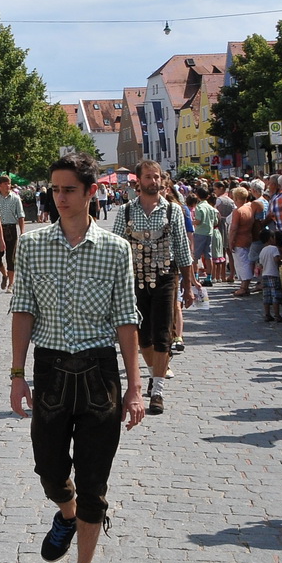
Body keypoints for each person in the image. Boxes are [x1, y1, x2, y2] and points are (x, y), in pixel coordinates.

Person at [9, 153, 143, 563]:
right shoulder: (32, 245)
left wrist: (135, 386)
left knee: (94, 480)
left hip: (98, 373)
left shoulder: (115, 248)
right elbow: (22, 310)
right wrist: (16, 374)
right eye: (55, 189)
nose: (59, 197)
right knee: (48, 467)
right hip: (49, 371)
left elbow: (126, 319)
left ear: (90, 192)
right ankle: (65, 513)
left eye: (68, 189)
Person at [108, 160, 197, 415]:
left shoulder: (172, 211)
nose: (153, 181)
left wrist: (188, 286)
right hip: (134, 278)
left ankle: (157, 390)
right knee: (141, 336)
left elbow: (182, 250)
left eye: (156, 177)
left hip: (164, 277)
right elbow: (115, 248)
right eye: (148, 177)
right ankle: (152, 372)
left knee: (162, 334)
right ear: (138, 181)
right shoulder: (126, 212)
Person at [0, 176, 25, 291]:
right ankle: (4, 274)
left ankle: (11, 283)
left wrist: (22, 232)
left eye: (9, 183)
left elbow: (20, 216)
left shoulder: (15, 198)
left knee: (11, 258)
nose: (7, 186)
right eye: (5, 184)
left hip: (11, 229)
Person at [258, 235, 282, 322]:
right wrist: (280, 262)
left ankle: (267, 314)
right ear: (270, 239)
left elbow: (260, 265)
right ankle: (277, 315)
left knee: (266, 296)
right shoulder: (274, 248)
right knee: (275, 295)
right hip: (273, 274)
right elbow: (276, 259)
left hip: (265, 274)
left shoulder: (262, 251)